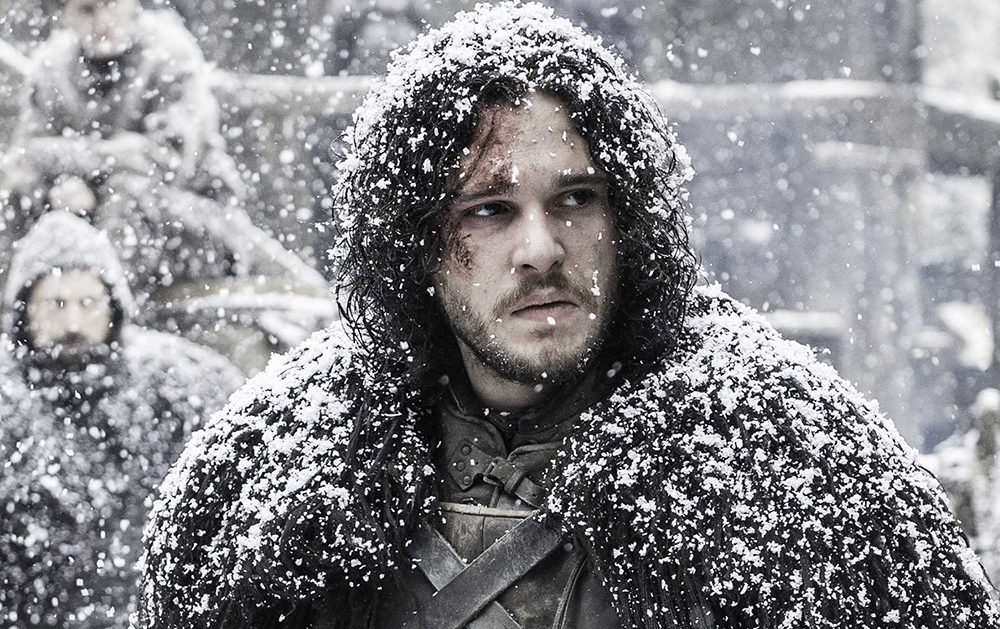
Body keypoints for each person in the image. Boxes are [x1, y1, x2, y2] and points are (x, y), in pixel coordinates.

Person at [138, 3, 999, 628]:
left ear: (625, 221)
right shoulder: (274, 484)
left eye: (576, 198)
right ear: (419, 244)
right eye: (489, 210)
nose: (542, 248)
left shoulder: (796, 471)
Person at [0, 212, 246, 628]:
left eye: (88, 303)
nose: (73, 323)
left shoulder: (180, 383)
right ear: (25, 310)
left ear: (113, 306)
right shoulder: (6, 400)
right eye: (55, 304)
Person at [0, 0, 326, 307]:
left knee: (128, 193)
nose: (102, 21)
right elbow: (25, 156)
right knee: (17, 194)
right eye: (86, 10)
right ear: (66, 15)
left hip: (195, 220)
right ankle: (19, 312)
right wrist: (58, 187)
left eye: (111, 4)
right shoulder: (53, 66)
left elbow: (166, 158)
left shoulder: (169, 52)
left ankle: (109, 316)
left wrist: (82, 175)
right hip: (93, 214)